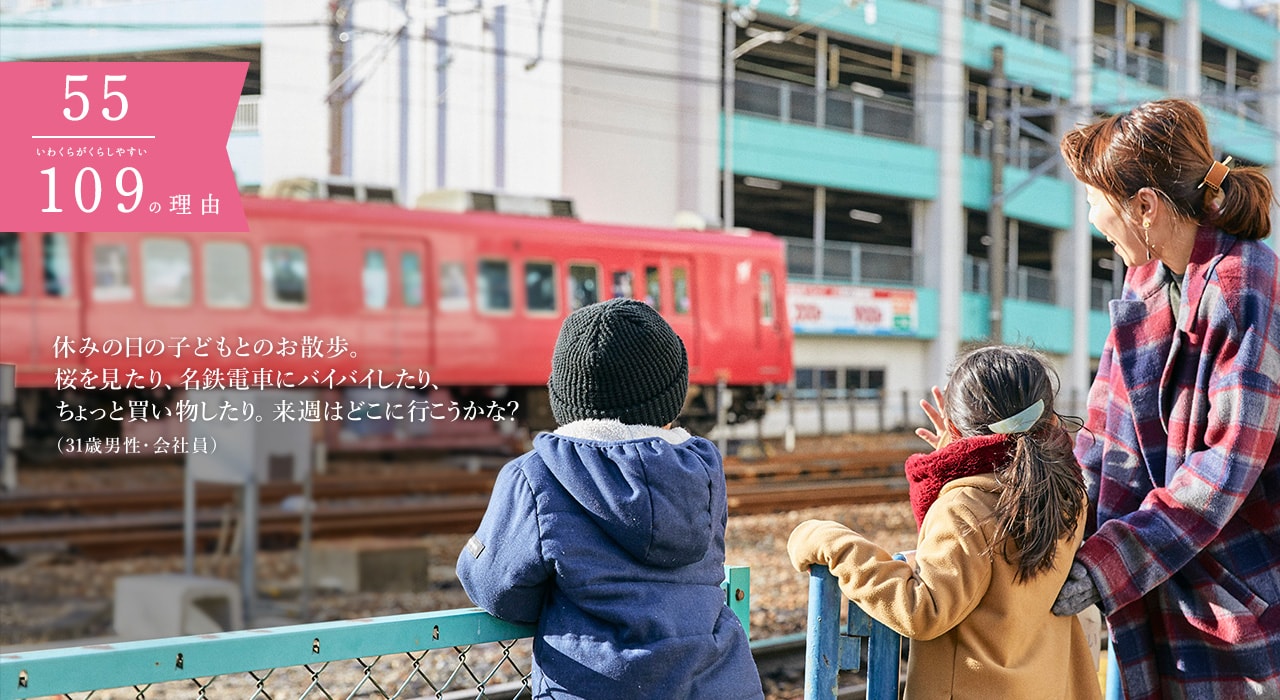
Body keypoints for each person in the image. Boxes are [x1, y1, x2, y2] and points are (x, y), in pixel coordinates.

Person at [1050, 98, 1280, 699]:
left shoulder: (1244, 286)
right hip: (1172, 597)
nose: (1094, 219)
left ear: (1145, 206)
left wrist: (1105, 564)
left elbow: (1222, 471)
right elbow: (1103, 437)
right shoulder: (1147, 282)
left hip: (1244, 610)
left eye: (1096, 200)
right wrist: (1036, 515)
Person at [455, 298, 763, 699]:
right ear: (672, 398)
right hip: (717, 683)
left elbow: (496, 589)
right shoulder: (703, 469)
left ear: (563, 397)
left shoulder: (535, 476)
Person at [788, 344, 1101, 700]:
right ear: (1048, 414)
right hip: (1047, 687)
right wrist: (952, 471)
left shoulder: (966, 507)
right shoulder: (1067, 493)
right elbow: (977, 567)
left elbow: (925, 609)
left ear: (953, 425)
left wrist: (830, 542)